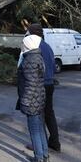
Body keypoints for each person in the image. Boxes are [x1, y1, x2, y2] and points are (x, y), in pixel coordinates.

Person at [16, 34, 49, 162]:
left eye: (23, 43)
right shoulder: (38, 56)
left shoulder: (29, 59)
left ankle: (39, 161)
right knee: (40, 129)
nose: (22, 45)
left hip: (32, 101)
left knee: (34, 131)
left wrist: (25, 101)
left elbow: (30, 84)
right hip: (39, 99)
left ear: (29, 44)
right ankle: (45, 158)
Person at [27, 24, 61, 152]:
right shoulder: (48, 47)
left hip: (38, 85)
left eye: (28, 33)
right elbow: (52, 67)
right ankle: (55, 142)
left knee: (37, 115)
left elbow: (30, 68)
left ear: (32, 34)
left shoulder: (32, 46)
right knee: (49, 114)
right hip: (50, 84)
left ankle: (40, 146)